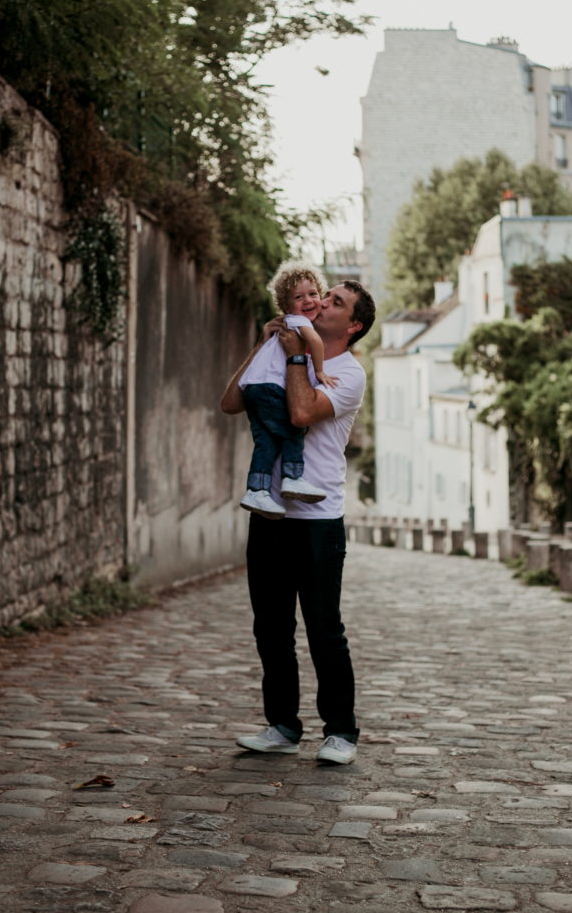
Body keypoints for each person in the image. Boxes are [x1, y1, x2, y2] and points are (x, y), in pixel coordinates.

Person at [220, 278, 376, 765]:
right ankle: (282, 726)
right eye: (323, 296)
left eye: (335, 302)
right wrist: (263, 344)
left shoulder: (348, 373)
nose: (321, 303)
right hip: (269, 511)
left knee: (324, 629)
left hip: (318, 518)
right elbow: (231, 402)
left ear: (352, 325)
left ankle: (341, 732)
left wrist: (293, 358)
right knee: (270, 628)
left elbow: (301, 412)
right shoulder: (284, 347)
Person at [238, 259, 338, 520]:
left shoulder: (283, 327)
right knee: (294, 429)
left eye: (313, 294)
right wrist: (319, 371)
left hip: (252, 389)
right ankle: (292, 477)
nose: (308, 300)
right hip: (270, 388)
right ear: (285, 305)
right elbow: (315, 341)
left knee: (266, 443)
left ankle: (257, 490)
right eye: (298, 297)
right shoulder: (297, 323)